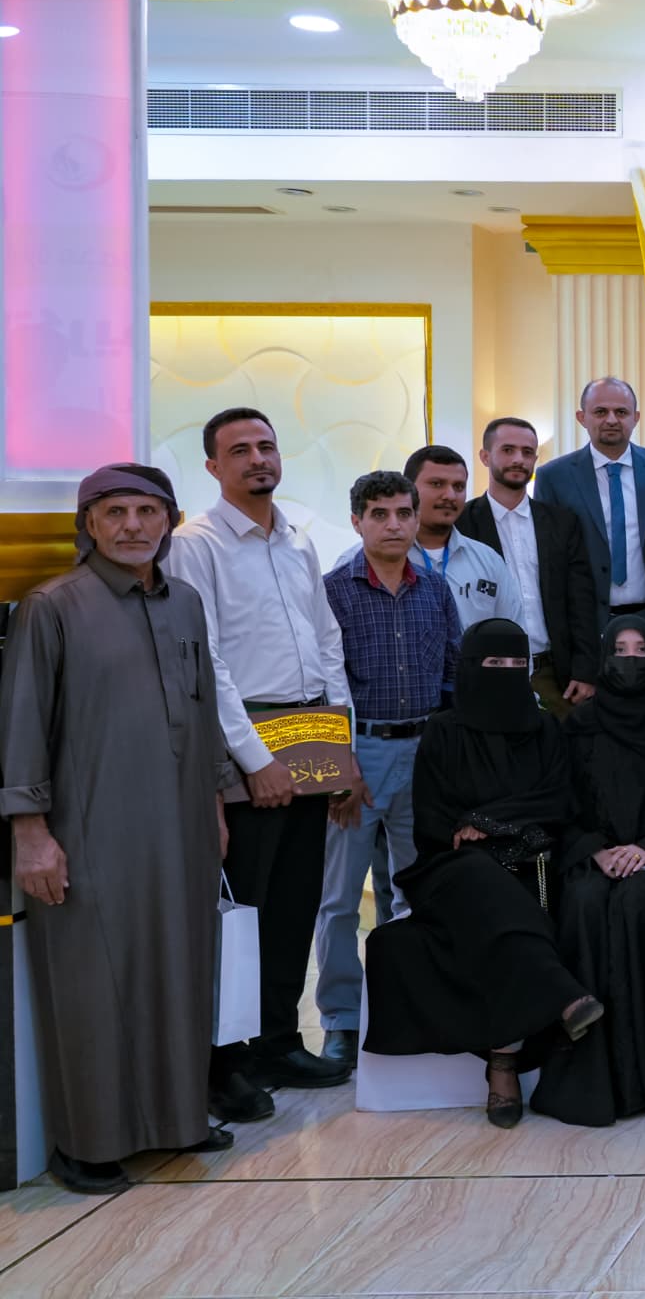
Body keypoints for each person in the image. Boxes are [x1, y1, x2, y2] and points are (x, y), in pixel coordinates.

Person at [1, 464, 239, 1192]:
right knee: (93, 980)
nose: (133, 526)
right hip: (90, 827)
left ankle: (179, 1120)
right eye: (115, 513)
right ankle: (88, 1141)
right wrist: (30, 833)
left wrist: (216, 805)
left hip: (184, 823)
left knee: (182, 969)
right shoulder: (52, 606)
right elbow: (22, 724)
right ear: (90, 525)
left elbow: (202, 709)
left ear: (168, 521)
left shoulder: (186, 602)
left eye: (146, 511)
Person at [165, 407, 360, 1105]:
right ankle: (229, 1063)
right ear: (213, 467)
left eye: (267, 446)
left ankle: (279, 1043)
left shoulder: (297, 541)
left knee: (294, 905)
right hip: (246, 738)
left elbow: (327, 642)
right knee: (242, 912)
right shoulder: (195, 545)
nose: (258, 459)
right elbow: (206, 661)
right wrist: (254, 760)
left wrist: (342, 749)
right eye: (240, 450)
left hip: (310, 735)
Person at [362, 619, 604, 1129]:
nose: (506, 672)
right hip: (449, 871)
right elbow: (433, 822)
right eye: (495, 663)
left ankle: (503, 1067)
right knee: (477, 875)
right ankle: (562, 996)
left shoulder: (544, 729)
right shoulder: (444, 731)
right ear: (472, 667)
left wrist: (488, 822)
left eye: (517, 663)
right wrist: (481, 830)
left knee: (502, 907)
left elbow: (557, 799)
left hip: (529, 859)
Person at [316, 471, 462, 1073]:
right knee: (340, 898)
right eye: (380, 514)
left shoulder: (435, 590)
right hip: (358, 753)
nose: (394, 525)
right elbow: (321, 684)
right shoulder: (332, 592)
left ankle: (408, 1003)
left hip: (423, 750)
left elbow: (453, 675)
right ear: (357, 521)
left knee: (418, 888)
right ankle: (340, 1020)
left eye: (404, 513)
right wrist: (337, 766)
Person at [531, 615, 645, 1126]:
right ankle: (590, 1078)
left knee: (635, 903)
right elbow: (563, 803)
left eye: (640, 649)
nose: (630, 659)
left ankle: (644, 1079)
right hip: (596, 855)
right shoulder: (580, 723)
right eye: (619, 649)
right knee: (583, 901)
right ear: (604, 658)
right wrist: (595, 850)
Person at [459, 416, 599, 711]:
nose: (518, 460)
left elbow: (581, 601)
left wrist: (585, 670)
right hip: (486, 672)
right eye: (507, 450)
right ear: (485, 456)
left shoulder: (562, 523)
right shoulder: (462, 524)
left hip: (554, 674)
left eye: (527, 452)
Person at [534, 377, 645, 649]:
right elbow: (549, 559)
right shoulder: (553, 477)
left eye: (621, 412)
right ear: (582, 417)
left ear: (636, 417)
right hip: (586, 625)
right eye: (601, 412)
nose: (612, 420)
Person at [405, 445, 517, 627]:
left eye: (458, 487)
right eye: (437, 484)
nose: (450, 495)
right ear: (408, 490)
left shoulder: (488, 561)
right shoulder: (376, 560)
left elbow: (512, 632)